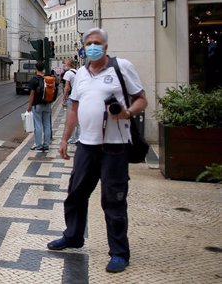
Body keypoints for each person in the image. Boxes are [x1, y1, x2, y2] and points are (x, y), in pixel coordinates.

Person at [47, 27, 148, 274]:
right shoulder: (80, 73)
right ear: (84, 47)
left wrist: (128, 112)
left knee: (113, 199)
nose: (93, 47)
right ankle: (73, 236)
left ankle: (119, 253)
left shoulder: (121, 67)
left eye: (98, 43)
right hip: (86, 145)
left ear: (105, 45)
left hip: (115, 147)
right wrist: (64, 139)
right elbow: (73, 109)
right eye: (89, 43)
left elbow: (142, 98)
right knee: (76, 193)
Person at [26, 61, 52, 151]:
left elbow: (32, 94)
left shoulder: (34, 79)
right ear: (43, 68)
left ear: (36, 68)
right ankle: (46, 144)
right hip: (47, 104)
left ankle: (38, 145)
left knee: (38, 125)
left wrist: (29, 105)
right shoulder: (47, 79)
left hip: (37, 105)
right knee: (47, 124)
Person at [61, 59, 79, 144]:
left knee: (70, 118)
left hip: (72, 98)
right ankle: (78, 137)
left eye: (64, 63)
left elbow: (67, 87)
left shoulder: (68, 73)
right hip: (79, 98)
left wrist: (64, 98)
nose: (64, 64)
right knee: (78, 119)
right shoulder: (77, 72)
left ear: (68, 64)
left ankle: (72, 138)